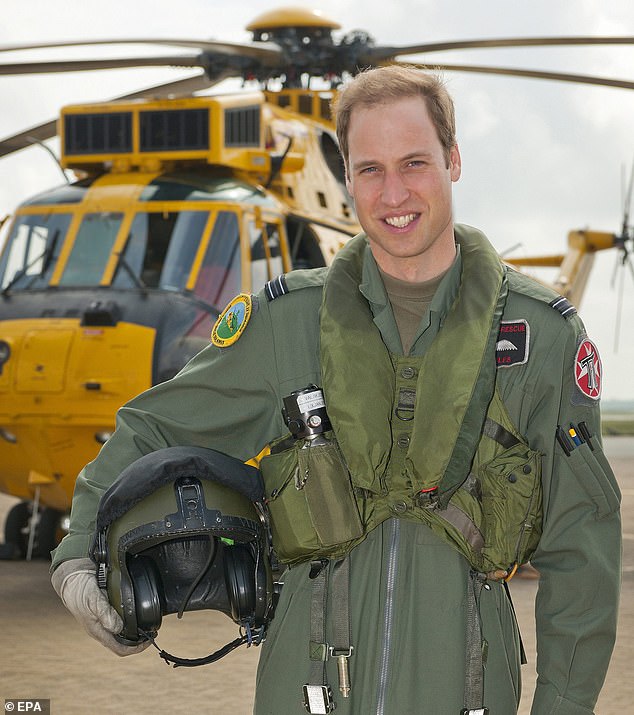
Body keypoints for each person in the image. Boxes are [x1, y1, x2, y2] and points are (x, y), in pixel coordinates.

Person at [51, 65, 621, 714]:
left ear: (454, 159)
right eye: (369, 169)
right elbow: (155, 428)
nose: (393, 192)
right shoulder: (286, 322)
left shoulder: (540, 336)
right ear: (346, 177)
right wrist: (78, 552)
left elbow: (584, 549)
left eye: (414, 162)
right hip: (305, 690)